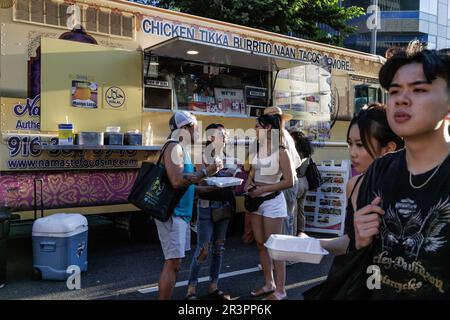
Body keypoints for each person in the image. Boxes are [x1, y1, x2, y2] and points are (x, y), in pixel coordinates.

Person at [351, 43, 450, 299]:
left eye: (419, 89)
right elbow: (365, 260)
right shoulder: (381, 169)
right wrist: (360, 241)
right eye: (394, 91)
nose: (401, 99)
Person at [318, 104, 404, 255]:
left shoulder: (412, 187)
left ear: (389, 149)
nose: (352, 153)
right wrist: (313, 243)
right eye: (350, 144)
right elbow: (351, 242)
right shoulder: (354, 184)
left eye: (360, 145)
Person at [156, 111, 222, 300]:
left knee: (175, 262)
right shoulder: (174, 147)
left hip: (181, 213)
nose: (198, 131)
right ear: (184, 128)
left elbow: (184, 183)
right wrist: (205, 172)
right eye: (195, 127)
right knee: (172, 262)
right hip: (173, 213)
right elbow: (177, 181)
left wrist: (205, 189)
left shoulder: (181, 148)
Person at [245, 114, 294, 300]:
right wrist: (249, 184)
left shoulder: (281, 151)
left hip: (273, 202)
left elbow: (290, 181)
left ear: (268, 128)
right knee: (260, 244)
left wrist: (263, 189)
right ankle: (269, 283)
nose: (255, 129)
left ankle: (281, 290)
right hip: (256, 200)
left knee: (275, 247)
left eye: (258, 126)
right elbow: (253, 170)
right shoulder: (258, 147)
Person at [185, 123, 236, 300]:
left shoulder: (229, 157)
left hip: (223, 206)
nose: (226, 137)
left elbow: (234, 182)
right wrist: (212, 179)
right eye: (222, 134)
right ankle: (191, 289)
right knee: (203, 249)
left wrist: (233, 179)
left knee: (219, 249)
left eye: (226, 134)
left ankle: (213, 286)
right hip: (206, 207)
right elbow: (199, 184)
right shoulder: (202, 157)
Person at [263, 107, 302, 237]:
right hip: (291, 180)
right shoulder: (285, 134)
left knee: (284, 219)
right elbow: (297, 161)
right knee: (289, 218)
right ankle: (287, 252)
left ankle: (283, 254)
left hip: (283, 182)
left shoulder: (277, 136)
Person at [288, 130, 315, 237]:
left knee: (293, 210)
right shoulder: (306, 152)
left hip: (297, 182)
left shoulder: (294, 153)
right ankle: (301, 231)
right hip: (305, 181)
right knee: (301, 209)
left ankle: (293, 233)